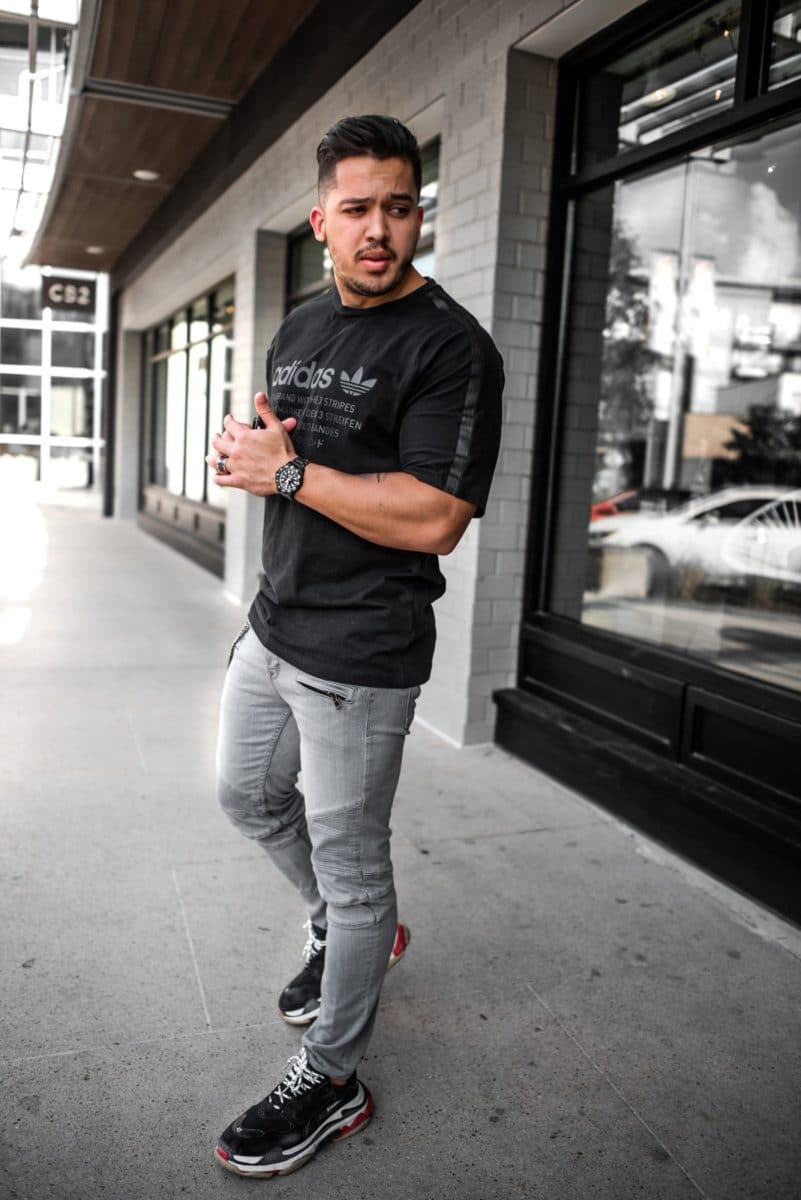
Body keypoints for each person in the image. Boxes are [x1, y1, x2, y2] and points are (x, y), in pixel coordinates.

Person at [207, 114, 504, 1179]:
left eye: (400, 207)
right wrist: (252, 455)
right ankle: (342, 930)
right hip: (274, 622)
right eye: (358, 208)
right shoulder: (298, 326)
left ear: (418, 215)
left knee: (354, 860)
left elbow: (434, 518)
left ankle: (333, 1078)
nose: (380, 229)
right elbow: (284, 454)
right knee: (247, 797)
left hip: (362, 655)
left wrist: (287, 475)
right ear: (321, 220)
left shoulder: (451, 348)